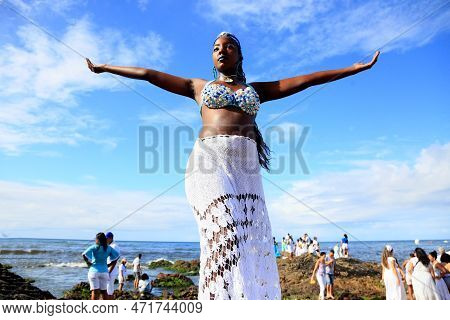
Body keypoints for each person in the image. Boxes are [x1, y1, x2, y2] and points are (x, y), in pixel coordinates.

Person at [86, 31, 379, 300]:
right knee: (226, 234)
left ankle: (243, 299)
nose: (221, 51)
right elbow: (149, 74)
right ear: (212, 58)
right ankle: (219, 302)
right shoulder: (198, 87)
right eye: (216, 48)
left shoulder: (257, 90)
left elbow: (308, 80)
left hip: (245, 169)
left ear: (240, 55)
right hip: (208, 161)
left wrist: (352, 69)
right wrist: (106, 68)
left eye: (229, 46)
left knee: (247, 240)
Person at [82, 232, 119, 300]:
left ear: (97, 239)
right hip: (104, 272)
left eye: (95, 238)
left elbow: (84, 254)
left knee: (95, 292)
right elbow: (117, 256)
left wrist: (88, 263)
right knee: (104, 292)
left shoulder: (94, 246)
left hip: (94, 271)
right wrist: (109, 265)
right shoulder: (108, 248)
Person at [105, 232, 120, 299]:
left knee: (109, 290)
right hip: (109, 270)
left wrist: (109, 272)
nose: (105, 240)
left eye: (106, 239)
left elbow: (115, 260)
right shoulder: (110, 246)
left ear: (110, 238)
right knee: (108, 288)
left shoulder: (114, 246)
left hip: (111, 271)